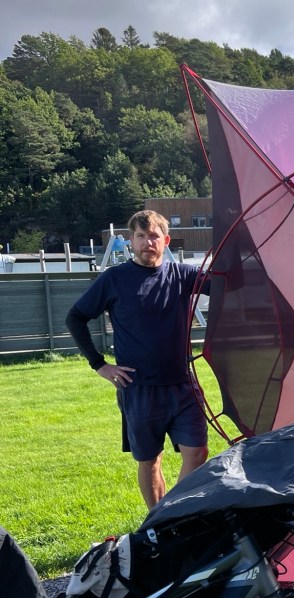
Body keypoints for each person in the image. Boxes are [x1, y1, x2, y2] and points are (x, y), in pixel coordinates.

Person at [66, 210, 208, 508]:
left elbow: (232, 283)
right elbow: (76, 317)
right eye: (140, 236)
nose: (147, 243)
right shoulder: (115, 279)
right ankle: (158, 520)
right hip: (138, 388)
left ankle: (174, 515)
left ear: (166, 240)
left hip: (183, 385)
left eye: (154, 236)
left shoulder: (183, 275)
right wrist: (99, 364)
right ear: (131, 241)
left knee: (197, 453)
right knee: (150, 461)